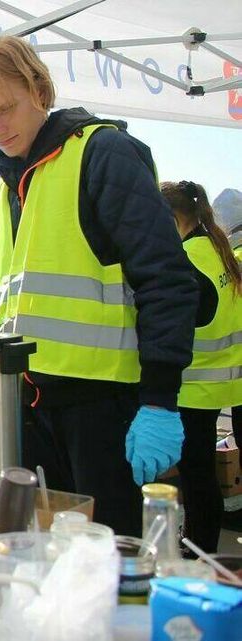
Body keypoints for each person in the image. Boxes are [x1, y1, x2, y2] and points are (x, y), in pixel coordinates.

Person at [0, 36, 197, 536]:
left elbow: (167, 279)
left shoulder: (102, 154)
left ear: (39, 89)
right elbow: (24, 296)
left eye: (5, 109)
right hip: (30, 411)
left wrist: (160, 400)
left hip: (103, 415)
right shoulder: (4, 189)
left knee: (111, 566)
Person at [161, 180, 241, 553]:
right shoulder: (219, 249)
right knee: (203, 476)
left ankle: (198, 552)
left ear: (174, 218)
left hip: (196, 387)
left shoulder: (186, 261)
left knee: (197, 480)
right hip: (229, 381)